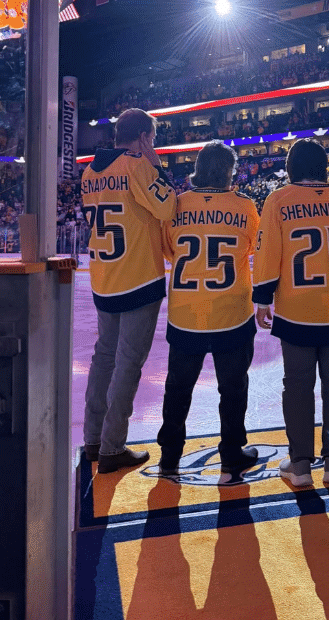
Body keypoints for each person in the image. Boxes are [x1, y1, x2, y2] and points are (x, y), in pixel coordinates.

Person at [253, 138, 329, 487]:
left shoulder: (278, 200)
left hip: (297, 309)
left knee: (298, 387)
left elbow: (268, 252)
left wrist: (262, 298)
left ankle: (300, 464)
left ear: (291, 167)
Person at [80, 108, 177, 473]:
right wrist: (157, 166)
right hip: (137, 277)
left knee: (103, 357)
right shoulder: (137, 165)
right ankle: (112, 446)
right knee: (128, 364)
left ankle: (93, 440)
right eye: (151, 139)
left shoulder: (90, 171)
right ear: (142, 138)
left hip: (104, 277)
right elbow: (168, 207)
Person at [157, 141, 260, 481]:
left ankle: (169, 456)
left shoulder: (176, 205)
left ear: (198, 169)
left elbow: (170, 251)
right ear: (229, 171)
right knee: (232, 388)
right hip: (232, 311)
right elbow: (250, 248)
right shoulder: (245, 207)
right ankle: (231, 454)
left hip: (186, 313)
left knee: (178, 388)